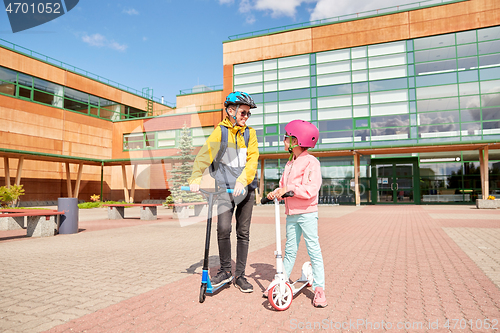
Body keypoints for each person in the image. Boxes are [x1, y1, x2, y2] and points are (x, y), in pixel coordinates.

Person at [189, 91, 259, 293]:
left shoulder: (250, 134)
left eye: (248, 114)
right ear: (230, 111)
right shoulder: (220, 132)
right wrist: (195, 177)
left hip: (246, 189)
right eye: (243, 113)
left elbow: (252, 160)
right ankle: (226, 270)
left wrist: (242, 180)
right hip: (224, 189)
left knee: (243, 233)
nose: (246, 117)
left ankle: (240, 276)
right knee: (223, 229)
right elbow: (204, 155)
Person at [266, 120, 327, 308]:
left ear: (296, 140)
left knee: (313, 249)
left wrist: (288, 189)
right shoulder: (290, 163)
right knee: (290, 249)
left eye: (286, 137)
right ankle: (281, 284)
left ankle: (319, 289)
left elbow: (311, 189)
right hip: (291, 213)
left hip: (307, 213)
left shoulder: (311, 162)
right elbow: (285, 186)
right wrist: (276, 192)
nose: (284, 140)